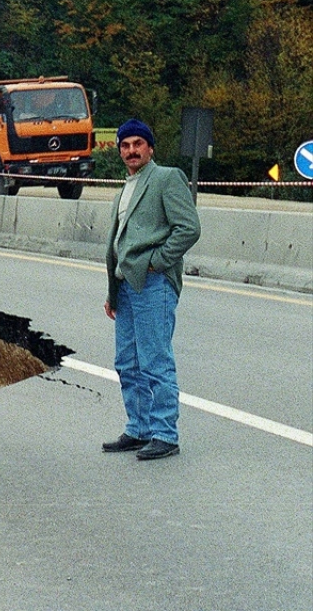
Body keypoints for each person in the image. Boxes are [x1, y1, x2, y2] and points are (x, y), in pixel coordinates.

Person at [102, 119, 201, 460]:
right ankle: (139, 428)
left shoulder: (166, 178)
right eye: (125, 145)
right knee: (126, 362)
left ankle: (164, 433)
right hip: (126, 286)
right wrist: (113, 292)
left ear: (150, 148)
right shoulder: (124, 188)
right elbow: (120, 242)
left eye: (137, 144)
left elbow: (188, 228)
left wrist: (157, 262)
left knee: (155, 361)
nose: (131, 150)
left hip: (154, 284)